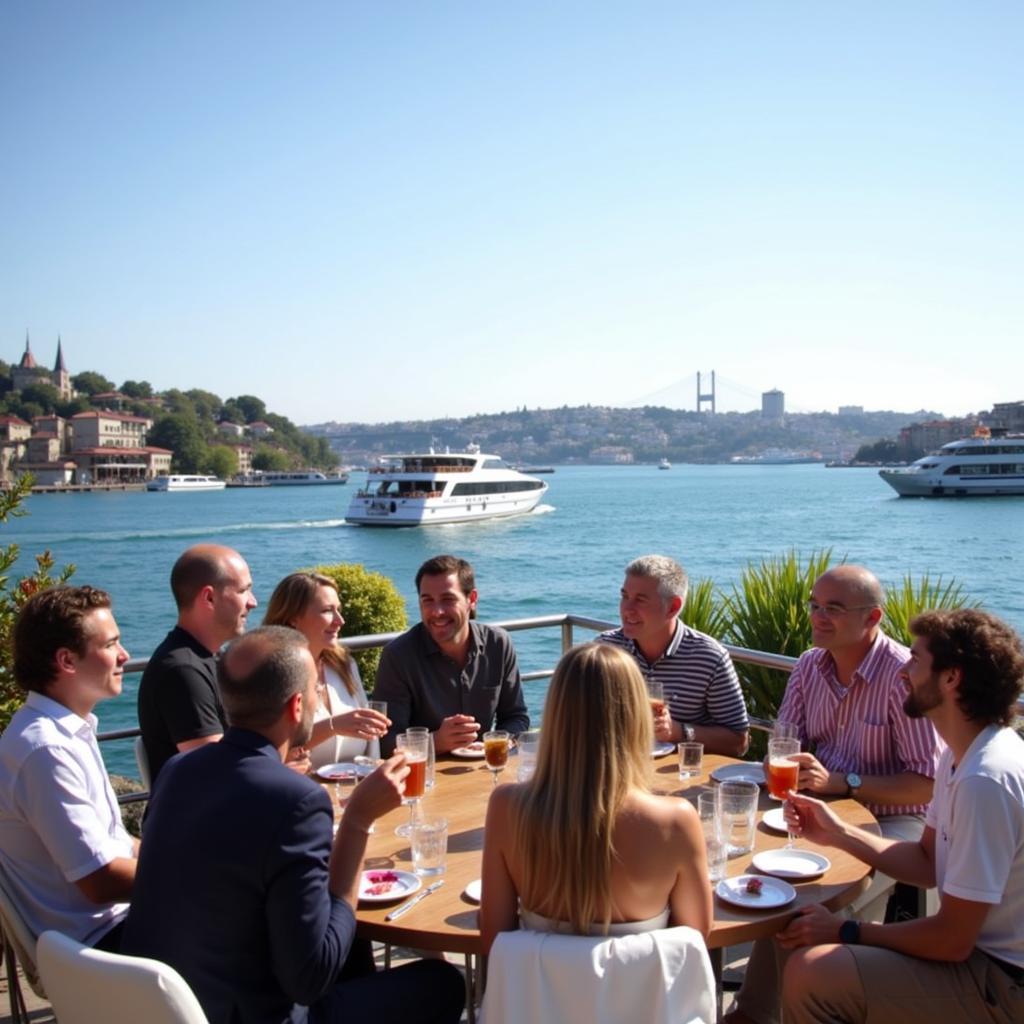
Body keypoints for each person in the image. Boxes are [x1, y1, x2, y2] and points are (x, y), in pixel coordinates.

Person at [121, 626, 464, 1024]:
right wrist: (357, 820)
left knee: (350, 943)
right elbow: (311, 978)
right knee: (442, 982)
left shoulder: (178, 771)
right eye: (317, 691)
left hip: (165, 1003)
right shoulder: (295, 799)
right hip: (255, 1013)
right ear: (297, 706)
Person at [777, 608, 1024, 1024]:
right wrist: (837, 832)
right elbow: (926, 864)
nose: (902, 671)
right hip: (980, 959)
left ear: (951, 678)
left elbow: (952, 940)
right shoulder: (960, 755)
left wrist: (846, 932)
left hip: (1003, 980)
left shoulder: (985, 779)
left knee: (811, 972)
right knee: (808, 943)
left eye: (914, 660)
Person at [726, 564, 942, 1024]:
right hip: (827, 811)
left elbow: (928, 781)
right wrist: (782, 765)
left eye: (834, 609)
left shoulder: (901, 677)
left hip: (897, 821)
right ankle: (753, 1014)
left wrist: (845, 782)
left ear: (872, 617)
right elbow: (784, 743)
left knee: (804, 907)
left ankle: (782, 1011)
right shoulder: (809, 665)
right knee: (762, 874)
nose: (818, 617)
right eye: (815, 606)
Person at [480, 641, 711, 950]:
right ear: (635, 716)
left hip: (541, 998)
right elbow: (695, 940)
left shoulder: (506, 808)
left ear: (556, 715)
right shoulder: (676, 821)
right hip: (643, 998)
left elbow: (494, 937)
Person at [0, 586, 137, 950]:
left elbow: (116, 846)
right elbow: (100, 880)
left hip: (116, 925)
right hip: (101, 945)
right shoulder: (44, 750)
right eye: (110, 645)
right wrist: (199, 872)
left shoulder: (67, 731)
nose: (125, 655)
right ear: (67, 661)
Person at [375, 554, 529, 755]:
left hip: (483, 769)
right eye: (427, 600)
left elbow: (517, 717)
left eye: (448, 599)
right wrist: (435, 742)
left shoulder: (498, 644)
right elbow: (385, 741)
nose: (437, 611)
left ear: (471, 599)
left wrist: (495, 743)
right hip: (425, 776)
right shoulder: (398, 656)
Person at [598, 554, 749, 756]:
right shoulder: (607, 649)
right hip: (618, 771)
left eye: (640, 600)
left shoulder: (708, 657)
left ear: (673, 607)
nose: (627, 609)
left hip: (679, 780)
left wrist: (677, 731)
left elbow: (738, 741)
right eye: (625, 596)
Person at [137, 543, 257, 783]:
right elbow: (214, 772)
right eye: (243, 591)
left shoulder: (205, 659)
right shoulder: (182, 671)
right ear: (209, 598)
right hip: (198, 818)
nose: (252, 602)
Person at [263, 571, 388, 769]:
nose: (340, 620)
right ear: (293, 618)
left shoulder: (344, 665)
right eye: (327, 611)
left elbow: (371, 746)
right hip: (301, 793)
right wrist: (332, 727)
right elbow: (267, 751)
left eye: (338, 610)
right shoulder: (270, 674)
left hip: (354, 790)